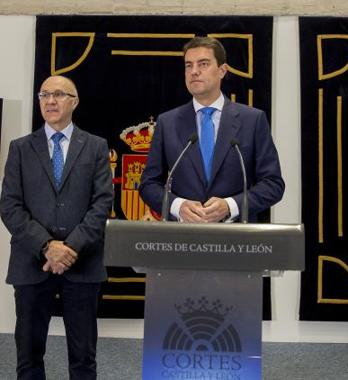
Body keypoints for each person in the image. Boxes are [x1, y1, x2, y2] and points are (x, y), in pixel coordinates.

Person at [0, 75, 113, 379]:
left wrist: (71, 247)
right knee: (28, 356)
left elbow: (102, 204)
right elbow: (9, 205)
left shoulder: (96, 147)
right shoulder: (20, 148)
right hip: (32, 262)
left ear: (74, 102)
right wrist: (47, 247)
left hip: (83, 262)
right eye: (44, 94)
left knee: (83, 358)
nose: (50, 101)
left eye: (59, 94)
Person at [139, 36, 284, 222]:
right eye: (188, 65)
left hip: (237, 240)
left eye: (203, 64)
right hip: (182, 239)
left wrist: (231, 205)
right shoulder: (167, 122)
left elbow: (273, 184)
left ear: (222, 70)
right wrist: (178, 206)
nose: (194, 72)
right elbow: (148, 184)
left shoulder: (252, 120)